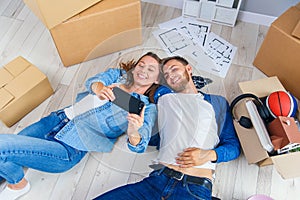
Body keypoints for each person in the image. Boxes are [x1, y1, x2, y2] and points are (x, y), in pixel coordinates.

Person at [0, 52, 163, 200]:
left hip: (69, 147)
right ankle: (16, 184)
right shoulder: (117, 76)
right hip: (56, 121)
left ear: (157, 79)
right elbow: (92, 82)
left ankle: (17, 185)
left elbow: (139, 145)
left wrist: (133, 130)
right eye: (141, 65)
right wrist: (100, 88)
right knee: (5, 153)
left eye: (151, 69)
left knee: (3, 146)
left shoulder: (146, 108)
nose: (143, 70)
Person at [94, 56, 241, 200]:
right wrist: (107, 91)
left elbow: (233, 147)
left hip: (193, 187)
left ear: (189, 69)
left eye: (174, 69)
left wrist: (209, 155)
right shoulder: (161, 95)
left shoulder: (215, 102)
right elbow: (135, 101)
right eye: (166, 75)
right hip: (156, 181)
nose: (171, 76)